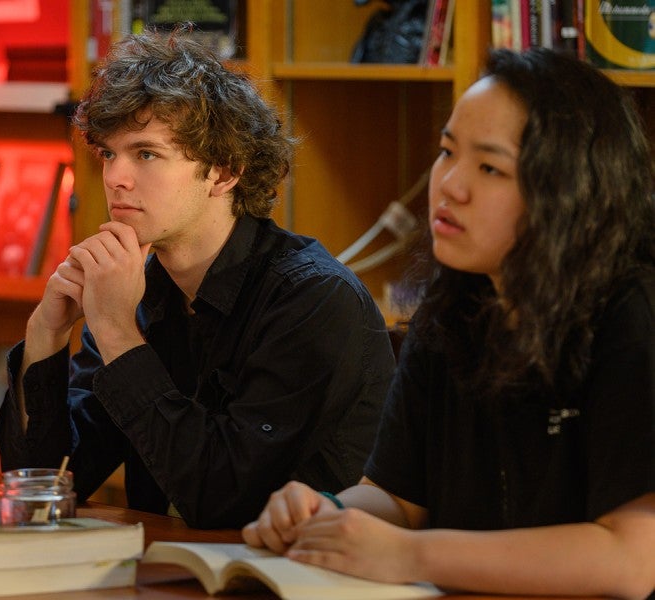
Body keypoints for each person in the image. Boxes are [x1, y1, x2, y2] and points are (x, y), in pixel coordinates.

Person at [243, 47, 655, 599]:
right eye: (445, 151)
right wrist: (326, 515)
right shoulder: (453, 307)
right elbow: (397, 499)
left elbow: (630, 561)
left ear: (571, 191)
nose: (449, 186)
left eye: (489, 168)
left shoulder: (633, 313)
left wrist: (412, 556)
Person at [0, 28, 396, 529]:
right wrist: (46, 334)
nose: (116, 177)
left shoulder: (313, 299)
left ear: (223, 173)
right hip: (168, 572)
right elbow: (44, 485)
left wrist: (118, 332)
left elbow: (223, 502)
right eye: (108, 154)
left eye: (145, 154)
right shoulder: (136, 292)